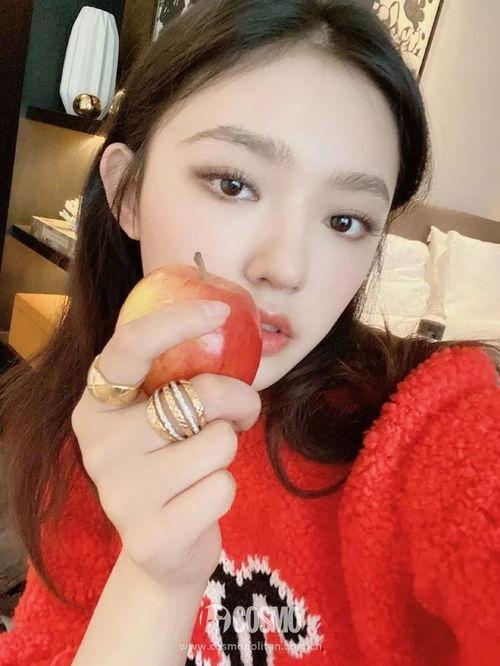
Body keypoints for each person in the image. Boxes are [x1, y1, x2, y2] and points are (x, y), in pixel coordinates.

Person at [0, 0, 498, 664]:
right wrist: (157, 581)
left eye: (346, 221)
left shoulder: (434, 429)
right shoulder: (97, 427)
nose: (286, 268)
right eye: (233, 184)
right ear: (125, 193)